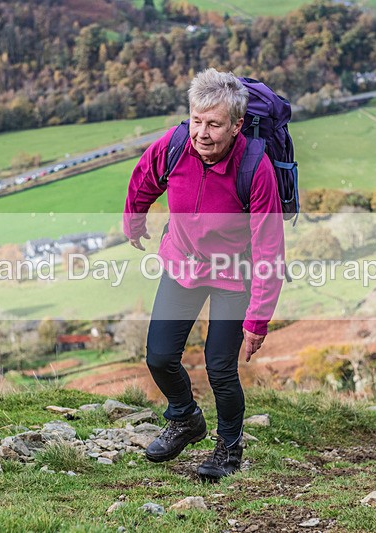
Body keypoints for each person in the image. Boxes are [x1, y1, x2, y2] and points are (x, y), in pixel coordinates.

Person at [123, 69, 285, 480]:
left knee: (220, 368)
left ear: (236, 125)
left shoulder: (256, 168)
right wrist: (134, 219)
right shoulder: (176, 145)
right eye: (197, 120)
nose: (202, 133)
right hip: (183, 262)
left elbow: (269, 249)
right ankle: (185, 418)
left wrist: (258, 319)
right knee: (159, 356)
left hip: (233, 274)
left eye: (214, 124)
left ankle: (228, 450)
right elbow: (145, 175)